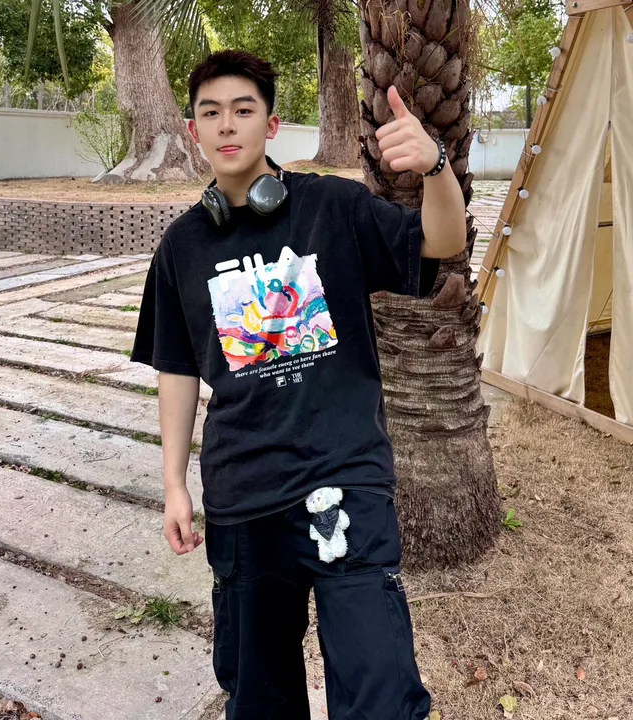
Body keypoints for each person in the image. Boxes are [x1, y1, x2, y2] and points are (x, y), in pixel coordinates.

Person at [132, 49, 466, 720]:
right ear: (194, 131)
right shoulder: (181, 248)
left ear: (272, 124)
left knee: (382, 696)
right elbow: (178, 368)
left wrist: (435, 168)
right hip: (245, 500)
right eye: (211, 113)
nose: (228, 125)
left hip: (347, 485)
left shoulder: (333, 208)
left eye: (243, 110)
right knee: (259, 700)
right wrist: (173, 484)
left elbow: (441, 240)